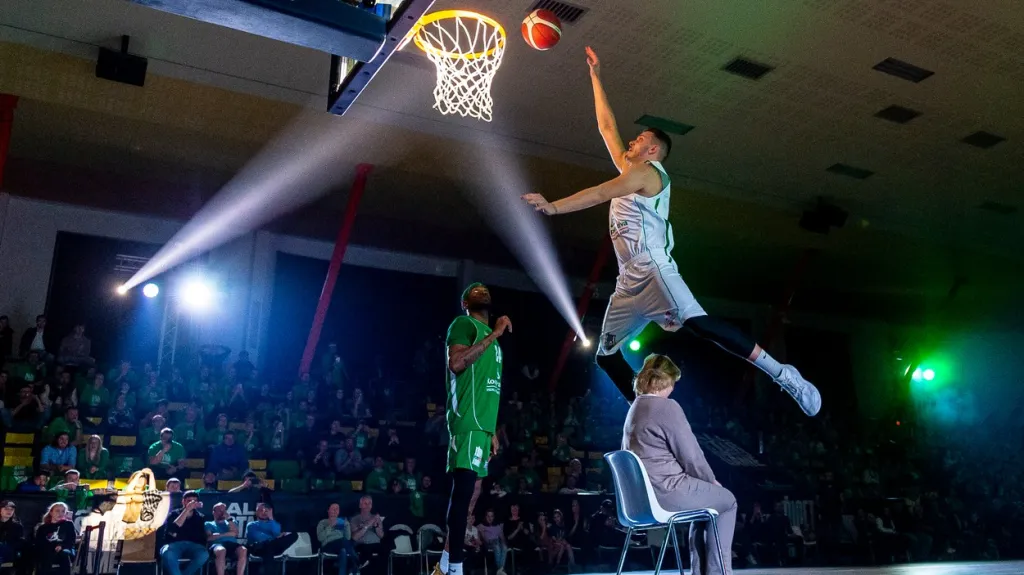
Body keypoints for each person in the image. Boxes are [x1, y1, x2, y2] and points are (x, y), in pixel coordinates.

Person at [521, 47, 821, 418]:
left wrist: (553, 206)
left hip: (654, 270)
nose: (629, 143)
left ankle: (783, 374)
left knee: (702, 326)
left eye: (637, 141)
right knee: (606, 355)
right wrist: (596, 77)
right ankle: (646, 415)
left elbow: (600, 193)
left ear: (651, 150)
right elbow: (606, 127)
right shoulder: (632, 170)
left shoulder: (649, 174)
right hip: (629, 282)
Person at [622, 354, 737, 575]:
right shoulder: (666, 407)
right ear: (666, 381)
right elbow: (691, 456)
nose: (673, 389)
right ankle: (719, 573)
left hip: (639, 500)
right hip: (667, 492)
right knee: (727, 501)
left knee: (707, 505)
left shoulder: (635, 408)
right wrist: (712, 481)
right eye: (673, 383)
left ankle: (700, 571)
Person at [434, 283, 511, 575]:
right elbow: (456, 363)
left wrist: (491, 431)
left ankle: (442, 565)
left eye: (485, 288)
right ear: (466, 302)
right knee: (463, 493)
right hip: (465, 422)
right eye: (474, 290)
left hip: (482, 429)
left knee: (473, 498)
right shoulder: (463, 324)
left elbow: (490, 390)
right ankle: (456, 568)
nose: (481, 289)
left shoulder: (496, 346)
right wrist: (495, 333)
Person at [162, 491, 210, 575]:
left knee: (204, 555)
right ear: (183, 501)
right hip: (174, 545)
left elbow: (200, 537)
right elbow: (172, 531)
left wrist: (178, 533)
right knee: (167, 553)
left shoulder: (200, 517)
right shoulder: (173, 514)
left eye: (194, 501)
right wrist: (187, 510)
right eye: (189, 501)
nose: (191, 504)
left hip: (193, 546)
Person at [245, 502, 298, 571]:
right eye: (261, 510)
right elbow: (257, 537)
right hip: (258, 548)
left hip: (275, 547)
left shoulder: (275, 523)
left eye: (266, 511)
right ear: (256, 512)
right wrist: (274, 538)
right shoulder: (252, 525)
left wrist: (271, 518)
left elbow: (276, 533)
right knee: (268, 548)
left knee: (294, 535)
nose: (264, 512)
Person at [34, 502, 77, 575]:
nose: (60, 513)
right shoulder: (43, 527)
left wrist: (62, 546)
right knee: (45, 555)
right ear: (51, 512)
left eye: (63, 511)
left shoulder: (68, 524)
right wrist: (53, 547)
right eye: (57, 511)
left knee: (64, 554)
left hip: (65, 548)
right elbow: (39, 542)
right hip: (48, 550)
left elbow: (71, 539)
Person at [205, 502, 248, 575]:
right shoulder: (208, 524)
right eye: (219, 510)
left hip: (231, 544)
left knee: (243, 550)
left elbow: (235, 533)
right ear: (214, 512)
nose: (222, 512)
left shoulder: (231, 522)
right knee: (221, 550)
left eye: (223, 510)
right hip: (217, 545)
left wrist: (228, 520)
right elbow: (209, 538)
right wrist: (228, 534)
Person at [317, 503, 359, 575]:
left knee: (343, 551)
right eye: (333, 508)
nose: (335, 511)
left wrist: (347, 525)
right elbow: (320, 538)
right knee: (343, 541)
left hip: (341, 546)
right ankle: (357, 563)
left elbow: (348, 538)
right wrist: (330, 526)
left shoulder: (341, 522)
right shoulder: (323, 522)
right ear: (328, 510)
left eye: (337, 509)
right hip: (328, 546)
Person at [0, 500, 25, 565]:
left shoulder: (17, 526)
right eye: (6, 509)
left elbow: (19, 543)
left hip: (9, 552)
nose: (9, 511)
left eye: (11, 509)